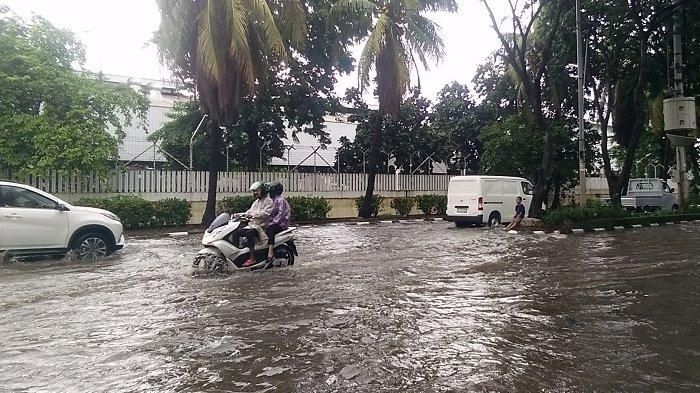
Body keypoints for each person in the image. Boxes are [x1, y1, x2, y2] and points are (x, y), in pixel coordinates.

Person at [241, 181, 274, 267]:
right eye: (254, 191)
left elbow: (266, 213)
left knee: (249, 234)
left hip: (262, 226)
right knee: (237, 232)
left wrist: (252, 215)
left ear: (263, 190)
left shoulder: (269, 201)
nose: (255, 193)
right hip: (253, 225)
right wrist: (241, 215)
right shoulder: (256, 202)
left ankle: (252, 258)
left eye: (257, 190)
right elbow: (250, 211)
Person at [265, 181, 291, 262]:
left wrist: (270, 223)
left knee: (271, 229)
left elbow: (280, 214)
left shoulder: (281, 200)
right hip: (273, 221)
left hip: (282, 223)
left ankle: (270, 251)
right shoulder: (271, 200)